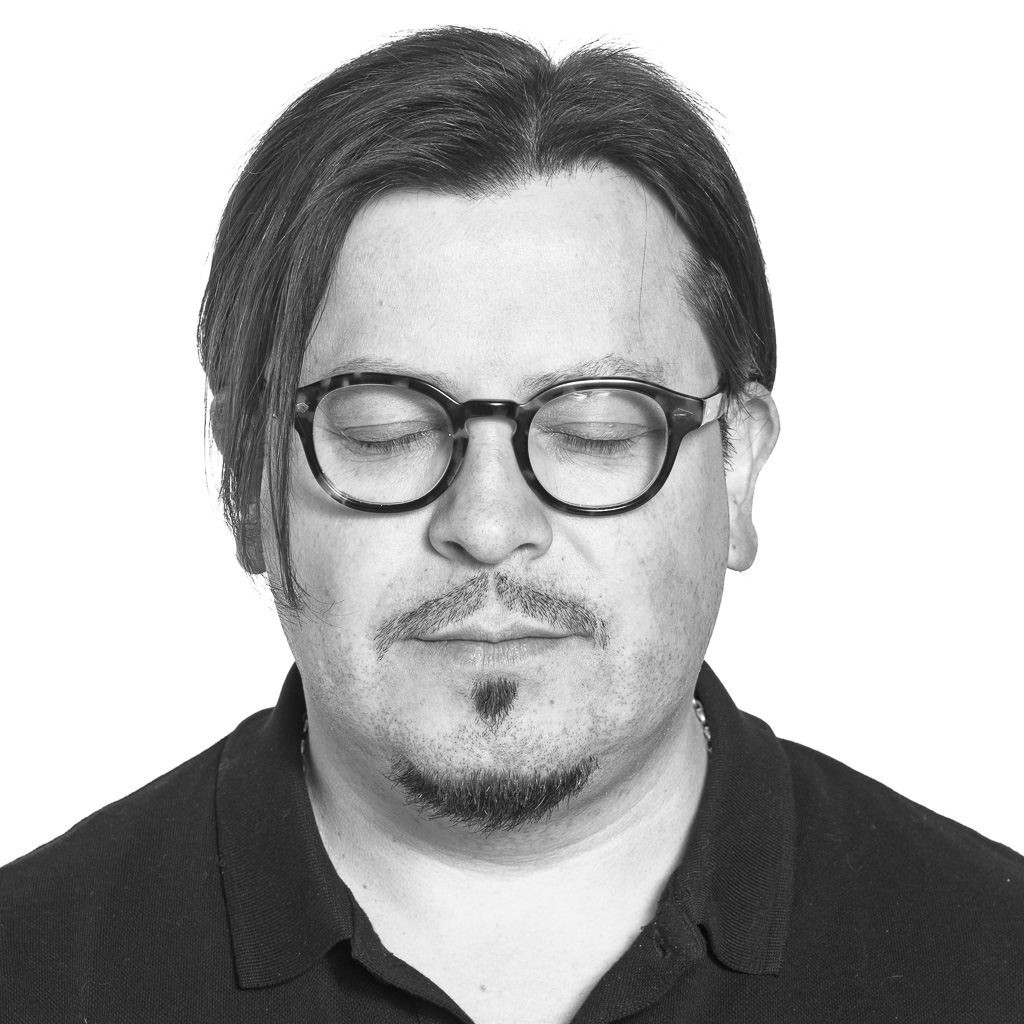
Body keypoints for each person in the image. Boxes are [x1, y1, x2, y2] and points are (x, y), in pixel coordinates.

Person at [2, 24, 1021, 1023]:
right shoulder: (32, 969)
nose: (488, 524)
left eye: (591, 432)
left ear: (738, 469)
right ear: (244, 480)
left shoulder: (993, 960)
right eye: (387, 432)